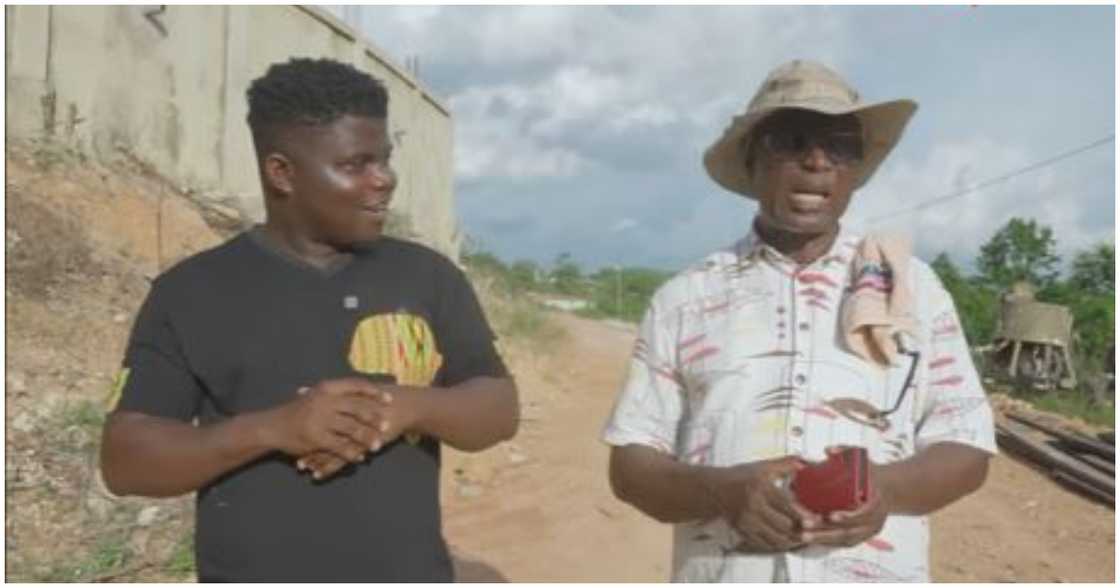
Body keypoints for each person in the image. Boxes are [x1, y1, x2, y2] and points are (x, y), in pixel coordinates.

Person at [99, 57, 519, 582]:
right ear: (282, 173)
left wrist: (405, 407)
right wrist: (275, 429)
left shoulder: (427, 277)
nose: (383, 179)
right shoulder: (193, 292)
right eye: (354, 164)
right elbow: (124, 461)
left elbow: (499, 409)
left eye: (385, 159)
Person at [603, 60, 995, 582]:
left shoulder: (913, 290)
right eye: (791, 140)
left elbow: (966, 446)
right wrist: (721, 491)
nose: (817, 162)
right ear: (752, 158)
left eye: (840, 146)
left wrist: (884, 491)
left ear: (856, 169)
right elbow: (631, 468)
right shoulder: (685, 299)